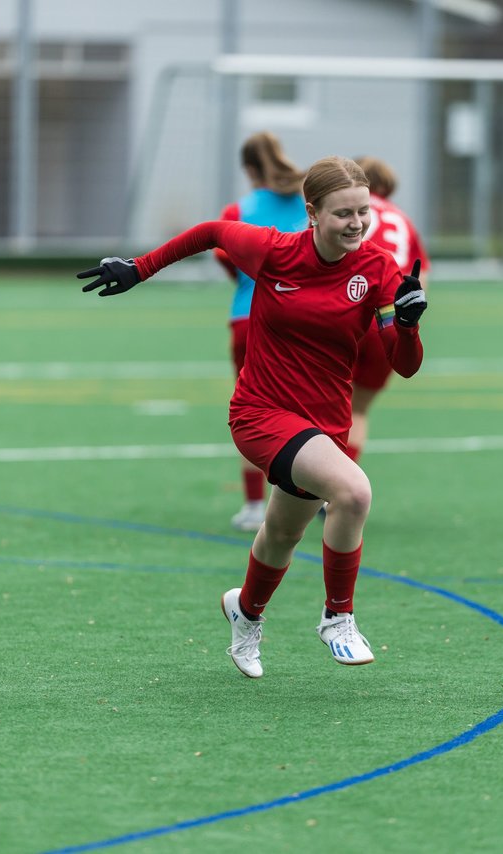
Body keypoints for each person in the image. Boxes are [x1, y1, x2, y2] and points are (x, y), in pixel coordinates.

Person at [77, 156, 427, 678]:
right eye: (342, 214)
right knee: (353, 493)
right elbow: (212, 232)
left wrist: (406, 324)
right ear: (312, 213)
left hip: (324, 425)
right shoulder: (274, 250)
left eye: (362, 212)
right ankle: (338, 618)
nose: (356, 224)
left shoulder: (377, 268)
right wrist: (140, 268)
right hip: (261, 413)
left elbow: (404, 367)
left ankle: (245, 611)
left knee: (281, 536)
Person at [213, 132, 308, 532]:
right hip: (303, 320)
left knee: (252, 413)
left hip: (248, 318)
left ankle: (255, 505)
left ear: (249, 169)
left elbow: (224, 255)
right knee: (307, 407)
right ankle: (312, 494)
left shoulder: (240, 209)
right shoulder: (311, 204)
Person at [347, 156, 430, 465]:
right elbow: (421, 281)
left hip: (350, 315)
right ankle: (336, 496)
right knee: (358, 411)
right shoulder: (403, 220)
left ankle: (315, 487)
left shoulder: (351, 212)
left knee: (321, 404)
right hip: (390, 323)